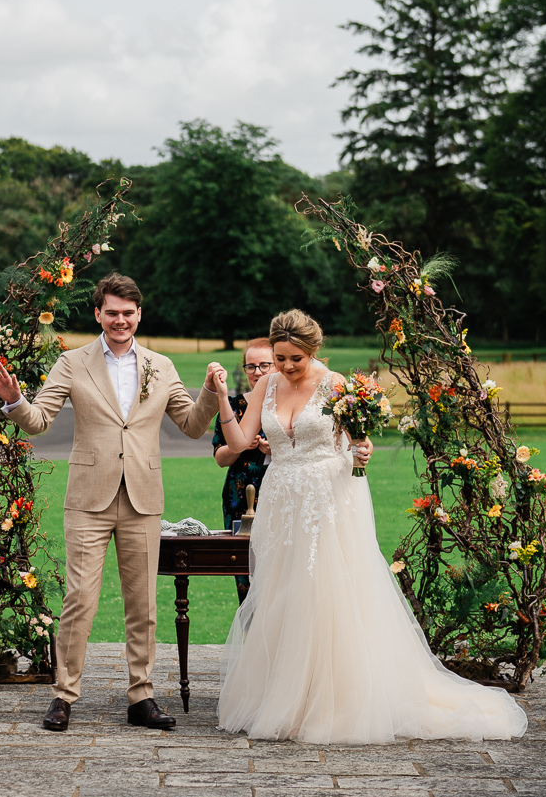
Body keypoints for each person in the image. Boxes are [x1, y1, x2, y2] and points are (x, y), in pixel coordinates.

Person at [211, 310, 528, 744]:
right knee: (282, 593)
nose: (285, 367)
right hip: (281, 500)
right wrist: (222, 399)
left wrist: (363, 449)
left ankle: (329, 703)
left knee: (323, 593)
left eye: (295, 359)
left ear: (313, 351)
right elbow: (238, 443)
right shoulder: (266, 385)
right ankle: (284, 697)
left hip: (327, 499)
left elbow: (358, 438)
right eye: (279, 358)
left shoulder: (337, 384)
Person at [0, 273, 224, 733]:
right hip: (88, 499)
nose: (120, 320)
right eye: (112, 312)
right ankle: (64, 696)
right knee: (80, 600)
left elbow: (192, 426)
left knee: (144, 604)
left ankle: (142, 698)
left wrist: (210, 391)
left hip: (143, 497)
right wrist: (15, 401)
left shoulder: (161, 365)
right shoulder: (72, 362)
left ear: (139, 315)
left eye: (128, 313)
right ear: (98, 314)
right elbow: (39, 422)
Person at [213, 338, 275, 600]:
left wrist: (277, 447)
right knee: (245, 570)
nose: (257, 373)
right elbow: (220, 457)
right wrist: (239, 445)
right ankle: (250, 636)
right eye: (250, 367)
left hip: (279, 492)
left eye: (264, 365)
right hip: (239, 498)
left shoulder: (287, 405)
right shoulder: (234, 407)